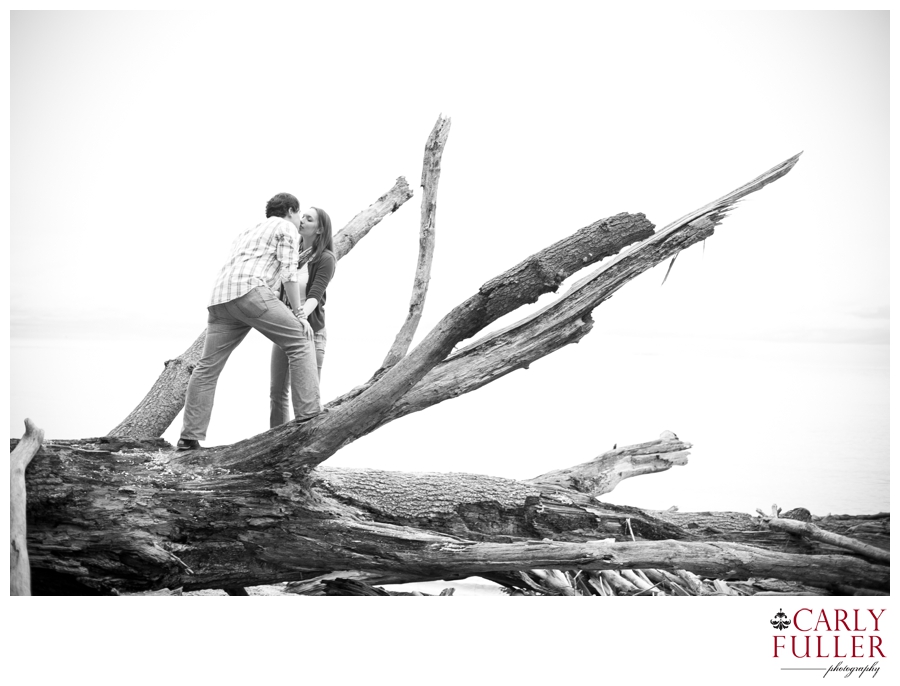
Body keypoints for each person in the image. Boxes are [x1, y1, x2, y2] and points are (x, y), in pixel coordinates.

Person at [177, 193, 320, 450]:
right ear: (291, 210)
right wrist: (298, 313)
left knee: (207, 367)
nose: (300, 221)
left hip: (220, 299)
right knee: (300, 339)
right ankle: (309, 418)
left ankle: (189, 437)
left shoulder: (247, 231)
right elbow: (289, 272)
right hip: (250, 293)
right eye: (299, 215)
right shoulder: (285, 226)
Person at [269, 207, 336, 427]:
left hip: (311, 331)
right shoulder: (292, 254)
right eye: (302, 217)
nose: (303, 221)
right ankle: (274, 442)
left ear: (319, 229)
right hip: (284, 329)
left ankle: (303, 442)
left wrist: (302, 317)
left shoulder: (325, 258)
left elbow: (315, 294)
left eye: (309, 219)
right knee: (277, 392)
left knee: (308, 397)